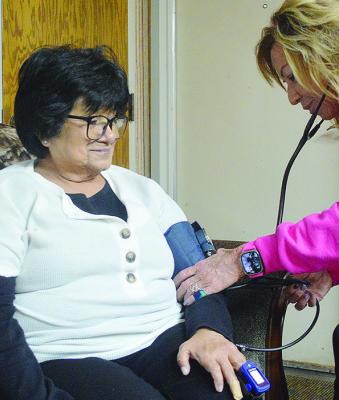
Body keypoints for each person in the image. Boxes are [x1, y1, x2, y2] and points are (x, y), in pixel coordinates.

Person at [174, 0, 339, 398]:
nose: (293, 98)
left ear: (330, 54)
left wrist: (244, 260)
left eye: (292, 77)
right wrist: (334, 270)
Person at [0, 45, 246, 400]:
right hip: (67, 352)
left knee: (222, 392)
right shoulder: (11, 194)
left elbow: (202, 271)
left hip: (163, 338)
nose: (111, 134)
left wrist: (210, 330)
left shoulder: (143, 190)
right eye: (93, 121)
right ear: (45, 127)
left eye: (114, 119)